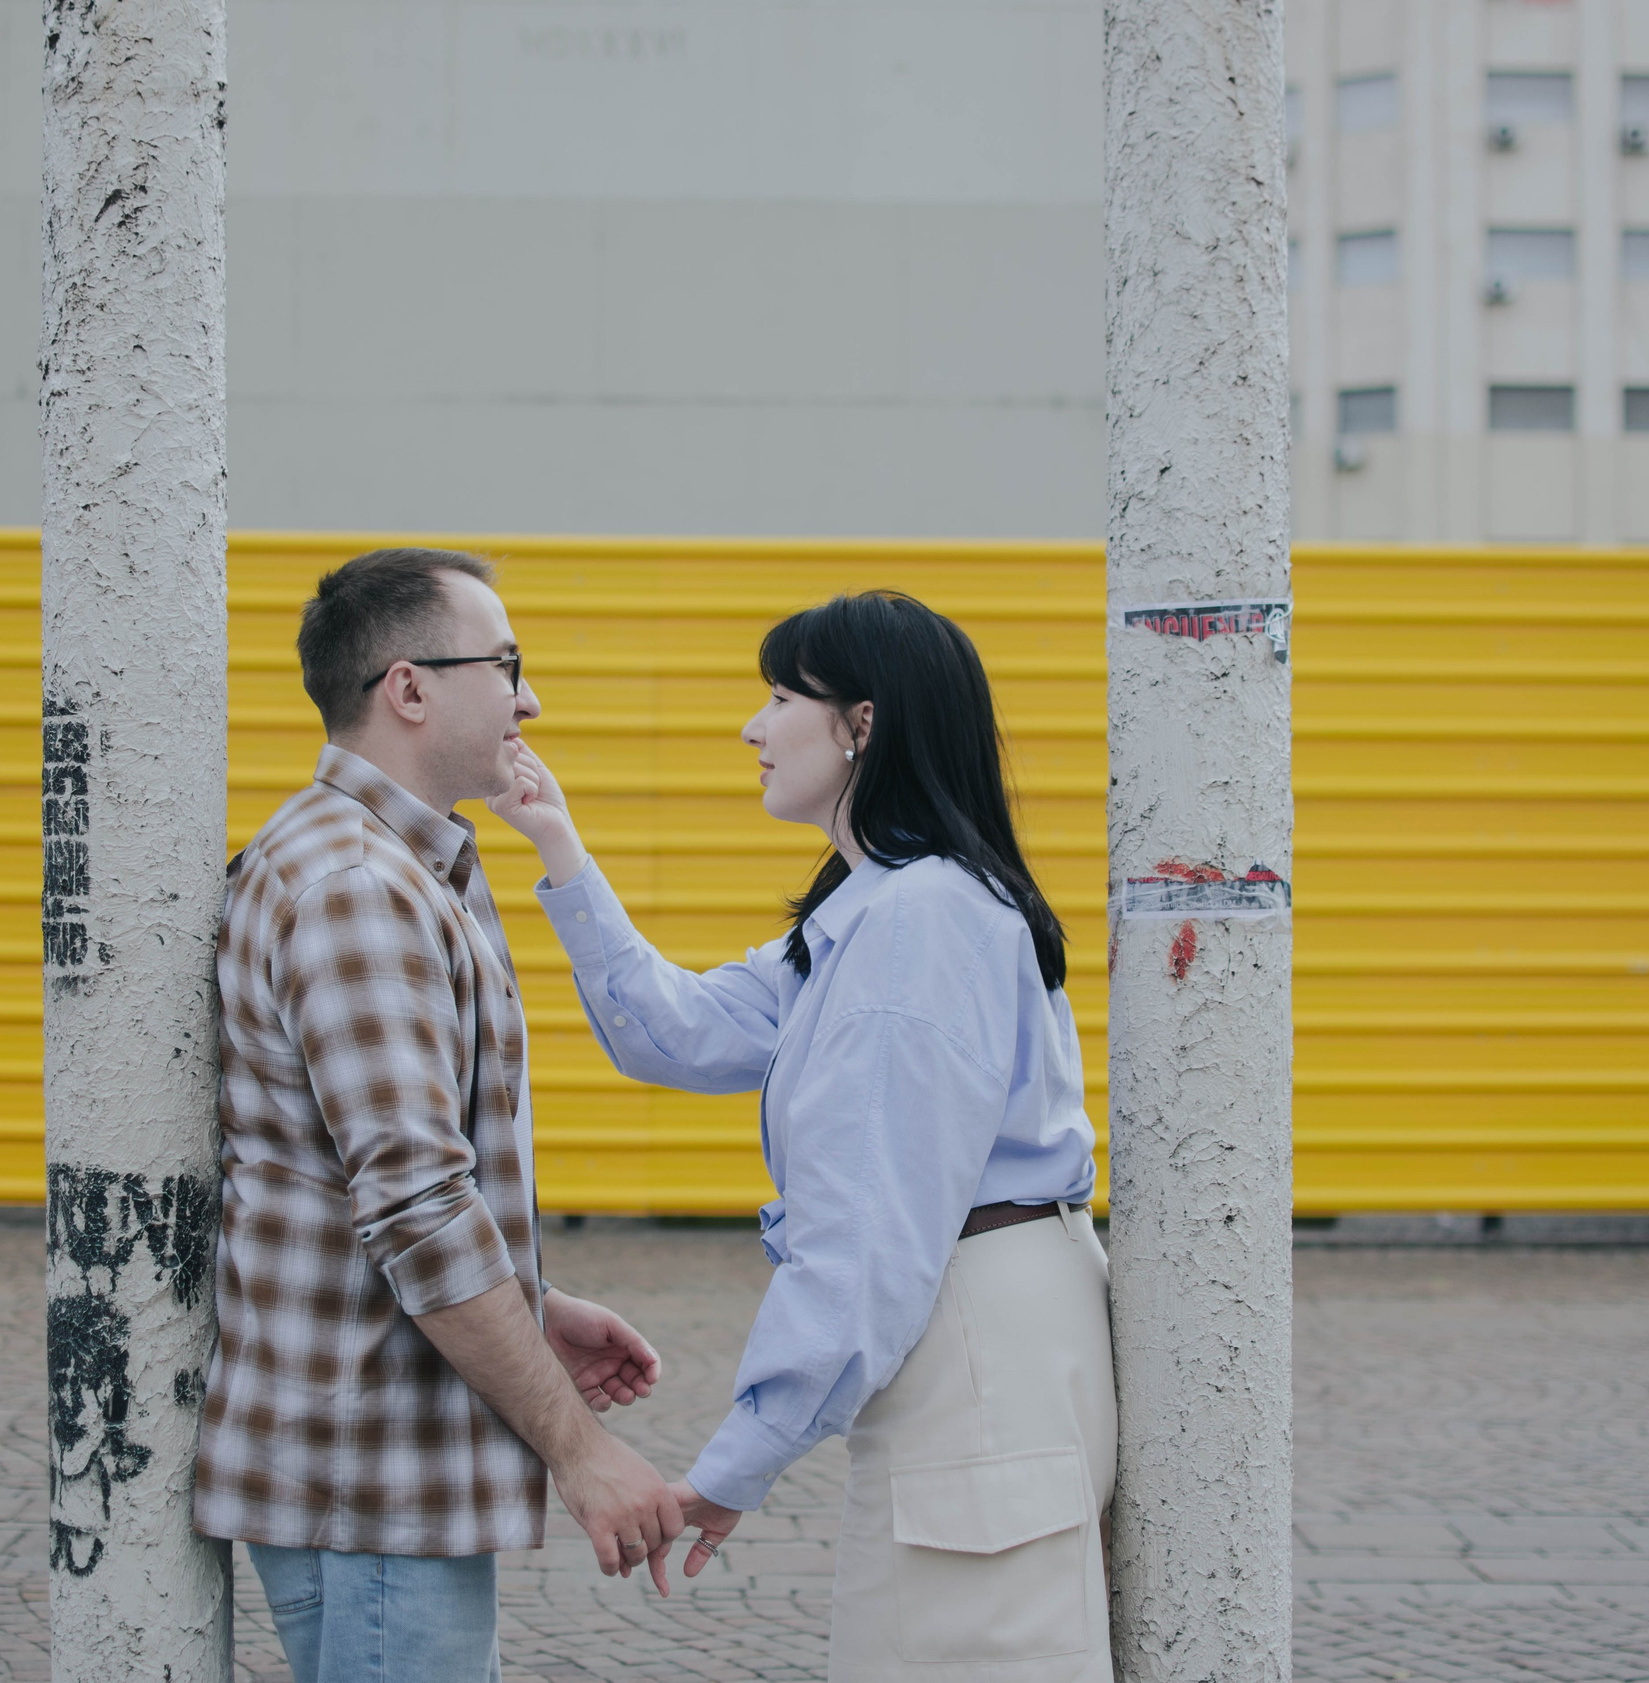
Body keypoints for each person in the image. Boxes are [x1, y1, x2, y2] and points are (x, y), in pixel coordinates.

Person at [492, 590, 1116, 1682]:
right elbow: (676, 1034)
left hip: (972, 1320)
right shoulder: (877, 912)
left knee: (959, 1654)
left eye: (781, 697)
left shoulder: (915, 923)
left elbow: (865, 1233)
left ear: (860, 726)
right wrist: (557, 844)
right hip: (982, 1314)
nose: (753, 727)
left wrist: (738, 1460)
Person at [193, 547, 687, 1683]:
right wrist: (579, 1447)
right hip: (370, 1481)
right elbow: (416, 1204)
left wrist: (530, 1298)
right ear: (408, 688)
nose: (530, 698)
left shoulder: (392, 868)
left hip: (383, 1477)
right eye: (506, 663)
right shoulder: (357, 888)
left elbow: (353, 1180)